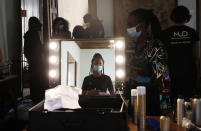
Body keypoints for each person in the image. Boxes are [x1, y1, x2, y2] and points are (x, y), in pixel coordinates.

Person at [125, 9, 170, 115]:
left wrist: (165, 104)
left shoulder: (155, 46)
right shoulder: (132, 46)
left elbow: (163, 76)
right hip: (132, 97)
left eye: (130, 24)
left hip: (150, 98)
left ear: (141, 25)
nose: (127, 28)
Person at [162, 6, 200, 103]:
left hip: (171, 73)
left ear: (173, 17)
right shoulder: (193, 32)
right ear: (187, 17)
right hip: (189, 72)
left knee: (172, 101)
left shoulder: (165, 34)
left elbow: (162, 55)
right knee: (189, 101)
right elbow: (196, 55)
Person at [24, 17, 45, 103]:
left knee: (33, 79)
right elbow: (39, 47)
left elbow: (26, 50)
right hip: (37, 61)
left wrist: (30, 59)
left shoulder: (28, 34)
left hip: (32, 60)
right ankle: (38, 97)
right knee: (38, 79)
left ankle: (34, 96)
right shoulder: (34, 34)